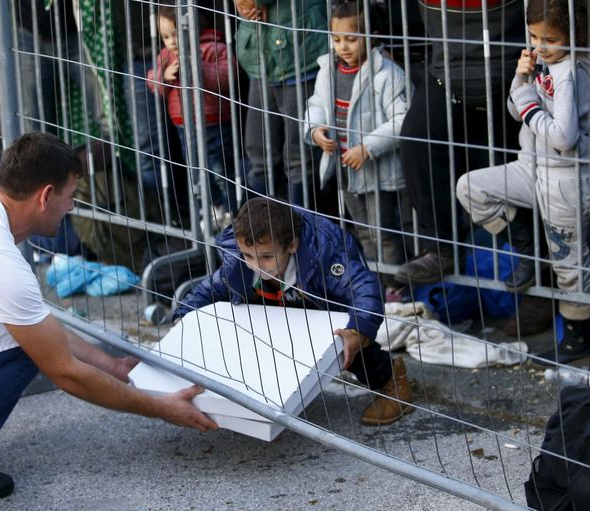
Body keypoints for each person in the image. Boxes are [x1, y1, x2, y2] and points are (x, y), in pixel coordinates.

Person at [0, 132, 217, 502]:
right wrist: (162, 408)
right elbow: (63, 369)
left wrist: (110, 365)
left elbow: (37, 320)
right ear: (46, 196)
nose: (71, 207)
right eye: (70, 197)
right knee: (22, 343)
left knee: (17, 331)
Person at [174, 197, 415, 426]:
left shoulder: (323, 255)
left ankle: (391, 378)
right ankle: (267, 394)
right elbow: (210, 289)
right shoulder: (239, 263)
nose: (257, 265)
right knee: (249, 329)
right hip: (274, 306)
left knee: (343, 344)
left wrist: (356, 329)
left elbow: (364, 287)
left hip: (320, 306)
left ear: (292, 245)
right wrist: (183, 315)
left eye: (266, 257)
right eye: (248, 255)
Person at [456, 0, 590, 366]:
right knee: (471, 187)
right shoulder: (545, 63)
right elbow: (515, 111)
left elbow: (563, 136)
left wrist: (528, 102)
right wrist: (522, 80)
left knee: (570, 266)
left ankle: (576, 341)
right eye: (534, 36)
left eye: (550, 38)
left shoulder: (571, 72)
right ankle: (527, 252)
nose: (539, 45)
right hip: (530, 167)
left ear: (573, 35)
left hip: (564, 180)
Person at [394, 0, 525, 285]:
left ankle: (538, 265)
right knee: (417, 140)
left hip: (513, 72)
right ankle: (441, 248)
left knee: (509, 170)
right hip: (447, 73)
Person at [304, 1, 411, 286]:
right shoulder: (327, 70)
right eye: (337, 39)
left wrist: (368, 147)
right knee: (361, 230)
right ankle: (376, 285)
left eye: (351, 39)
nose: (343, 47)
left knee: (383, 231)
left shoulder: (388, 74)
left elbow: (402, 120)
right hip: (344, 168)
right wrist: (315, 130)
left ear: (371, 36)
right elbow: (316, 104)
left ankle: (397, 287)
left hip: (378, 171)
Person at [147, 5, 239, 225]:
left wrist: (198, 68)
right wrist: (165, 76)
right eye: (165, 36)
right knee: (196, 172)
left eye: (175, 34)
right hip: (185, 127)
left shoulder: (211, 48)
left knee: (220, 171)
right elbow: (152, 81)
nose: (171, 42)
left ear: (193, 27)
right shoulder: (166, 57)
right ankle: (210, 211)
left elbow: (229, 76)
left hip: (214, 125)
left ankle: (232, 212)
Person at [234, 0, 326, 206]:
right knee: (258, 152)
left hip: (300, 50)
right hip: (259, 56)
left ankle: (299, 228)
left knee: (299, 155)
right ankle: (263, 229)